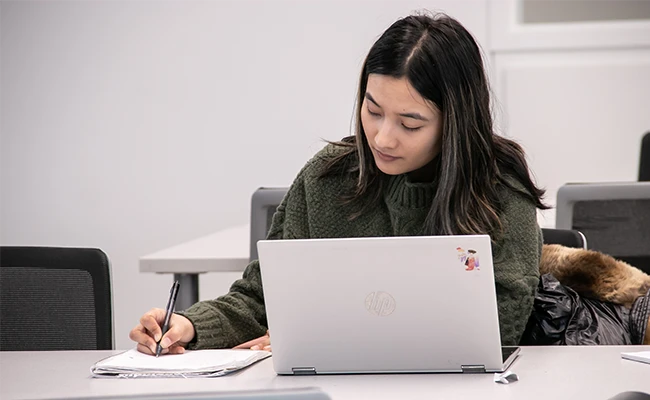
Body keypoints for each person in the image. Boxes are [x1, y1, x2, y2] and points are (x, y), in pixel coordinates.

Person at [130, 12, 549, 355]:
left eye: (410, 123)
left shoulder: (497, 186)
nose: (383, 137)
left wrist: (327, 342)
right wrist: (187, 324)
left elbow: (504, 320)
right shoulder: (327, 177)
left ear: (454, 124)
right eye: (373, 110)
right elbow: (262, 297)